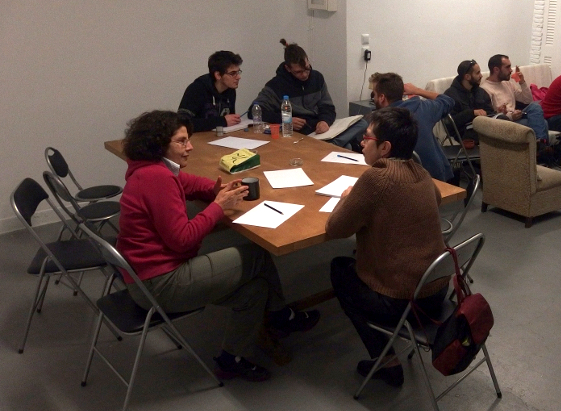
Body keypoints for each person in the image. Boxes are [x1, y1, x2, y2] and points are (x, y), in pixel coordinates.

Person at [116, 110, 320, 382]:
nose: (189, 147)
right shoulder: (157, 179)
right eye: (181, 141)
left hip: (144, 276)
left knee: (256, 290)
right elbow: (183, 239)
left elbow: (188, 183)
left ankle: (231, 359)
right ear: (158, 145)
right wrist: (218, 207)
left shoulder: (151, 170)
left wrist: (216, 190)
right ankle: (283, 316)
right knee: (257, 255)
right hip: (161, 283)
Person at [327, 107, 448, 388]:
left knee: (340, 270)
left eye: (367, 137)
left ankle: (386, 361)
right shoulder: (420, 170)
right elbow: (437, 199)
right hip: (437, 290)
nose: (361, 142)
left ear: (385, 148)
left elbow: (335, 229)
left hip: (404, 301)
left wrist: (346, 197)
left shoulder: (376, 179)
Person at [251, 39, 367, 150]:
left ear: (308, 61)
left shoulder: (317, 78)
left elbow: (328, 107)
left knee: (362, 123)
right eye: (299, 72)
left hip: (318, 128)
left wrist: (325, 121)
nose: (305, 74)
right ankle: (330, 145)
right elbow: (254, 110)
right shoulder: (276, 85)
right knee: (347, 147)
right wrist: (286, 120)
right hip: (299, 132)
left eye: (307, 69)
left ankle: (328, 145)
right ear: (288, 68)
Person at [370, 72, 456, 183]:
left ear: (382, 97)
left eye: (374, 95)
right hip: (438, 177)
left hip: (404, 181)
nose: (374, 98)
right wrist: (417, 90)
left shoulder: (381, 122)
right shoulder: (423, 107)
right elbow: (448, 101)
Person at [480, 54, 550, 142]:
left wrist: (522, 82)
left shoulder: (507, 84)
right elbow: (492, 116)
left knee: (535, 106)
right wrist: (510, 116)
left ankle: (539, 144)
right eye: (507, 67)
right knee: (544, 123)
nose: (511, 70)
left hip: (516, 116)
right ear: (496, 70)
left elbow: (527, 100)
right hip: (505, 122)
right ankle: (541, 145)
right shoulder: (485, 89)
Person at [178, 51, 243, 132]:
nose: (238, 77)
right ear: (218, 75)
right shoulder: (196, 89)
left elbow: (228, 121)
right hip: (197, 137)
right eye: (233, 73)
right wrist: (222, 121)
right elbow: (182, 123)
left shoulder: (230, 90)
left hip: (220, 136)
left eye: (238, 72)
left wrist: (233, 120)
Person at [443, 59, 497, 141]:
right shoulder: (450, 95)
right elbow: (450, 123)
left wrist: (486, 114)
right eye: (477, 73)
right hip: (465, 132)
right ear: (467, 77)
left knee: (503, 120)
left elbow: (491, 112)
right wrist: (472, 113)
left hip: (485, 124)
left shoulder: (480, 91)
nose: (481, 76)